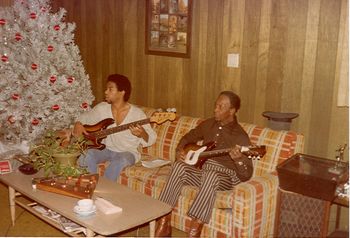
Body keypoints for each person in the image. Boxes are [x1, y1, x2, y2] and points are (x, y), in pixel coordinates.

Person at [155, 91, 253, 237]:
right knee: (178, 166)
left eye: (221, 107)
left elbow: (246, 175)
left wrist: (238, 159)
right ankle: (164, 221)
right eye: (216, 105)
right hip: (203, 172)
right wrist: (179, 151)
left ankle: (195, 230)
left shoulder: (240, 136)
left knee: (211, 176)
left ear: (231, 111)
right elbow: (188, 137)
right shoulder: (208, 124)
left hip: (225, 178)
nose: (215, 109)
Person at [72, 74, 157, 181]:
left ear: (122, 92)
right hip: (104, 149)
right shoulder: (102, 108)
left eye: (110, 89)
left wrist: (142, 133)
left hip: (127, 152)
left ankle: (104, 191)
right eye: (106, 89)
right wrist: (78, 123)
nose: (106, 92)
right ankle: (90, 185)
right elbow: (84, 117)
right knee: (87, 154)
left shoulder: (137, 114)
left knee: (121, 160)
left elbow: (151, 139)